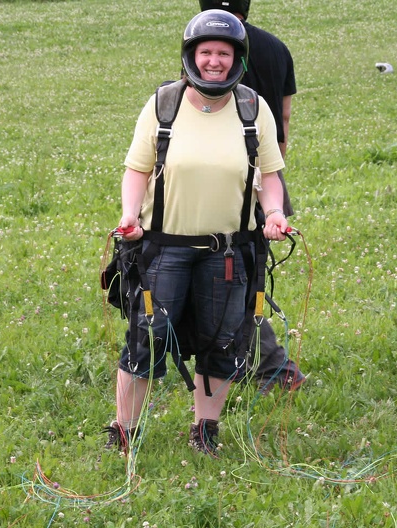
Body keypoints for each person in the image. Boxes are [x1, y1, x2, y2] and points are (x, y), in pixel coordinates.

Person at [103, 9, 288, 456]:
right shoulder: (163, 103)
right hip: (162, 249)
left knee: (221, 342)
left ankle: (205, 430)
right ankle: (124, 431)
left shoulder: (252, 107)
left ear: (237, 58)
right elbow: (136, 169)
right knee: (146, 338)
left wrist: (275, 212)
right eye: (205, 52)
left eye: (223, 53)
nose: (214, 61)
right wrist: (131, 214)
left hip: (229, 252)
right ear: (191, 55)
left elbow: (271, 174)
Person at [198, 0, 304, 392]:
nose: (214, 60)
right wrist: (273, 169)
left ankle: (270, 366)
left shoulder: (205, 47)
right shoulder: (276, 47)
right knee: (246, 278)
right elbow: (286, 116)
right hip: (267, 169)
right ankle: (249, 360)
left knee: (234, 282)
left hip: (229, 181)